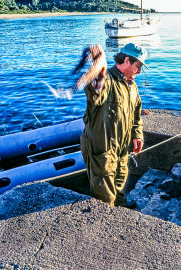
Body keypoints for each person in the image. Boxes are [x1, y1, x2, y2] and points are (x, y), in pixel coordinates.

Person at [75, 43, 147, 207]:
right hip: (102, 150)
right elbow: (94, 90)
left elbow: (136, 115)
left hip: (122, 149)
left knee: (120, 180)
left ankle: (120, 204)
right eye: (138, 66)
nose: (140, 71)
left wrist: (137, 135)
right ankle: (107, 221)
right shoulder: (106, 80)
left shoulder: (132, 86)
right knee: (104, 197)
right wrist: (98, 66)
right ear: (127, 60)